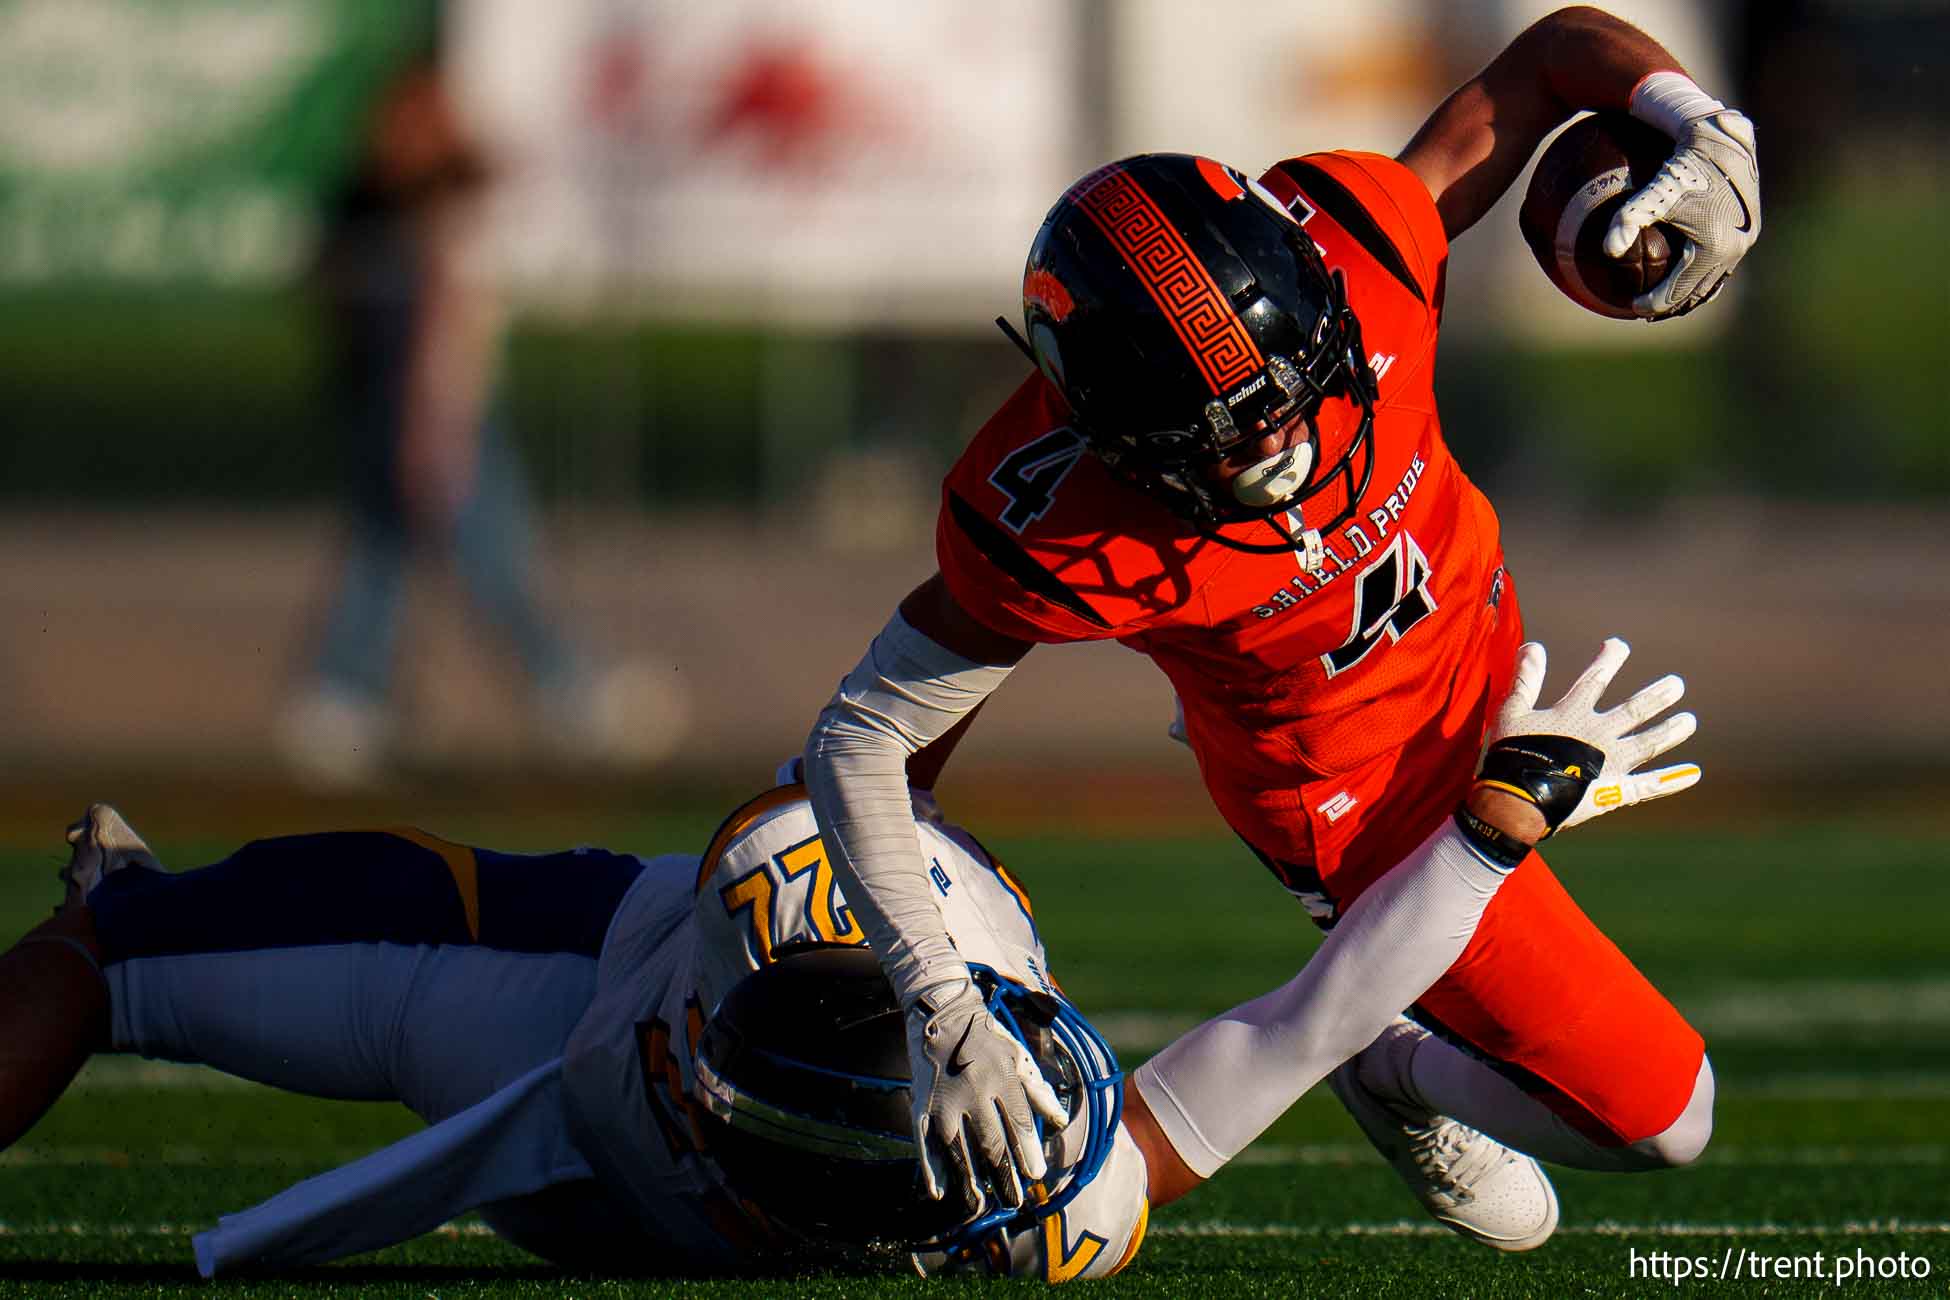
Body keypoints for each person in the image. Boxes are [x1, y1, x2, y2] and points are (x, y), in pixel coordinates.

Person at [800, 5, 1758, 1250]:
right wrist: (932, 989)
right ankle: (1388, 1060)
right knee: (1668, 1118)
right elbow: (870, 741)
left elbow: (1551, 56)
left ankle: (1388, 1029)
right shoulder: (1062, 522)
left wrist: (1702, 122)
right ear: (1108, 426)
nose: (1281, 450)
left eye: (1289, 394)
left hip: (1490, 662)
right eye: (1222, 435)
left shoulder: (1365, 246)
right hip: (1366, 800)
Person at [0, 782, 1144, 1281]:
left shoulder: (783, 883)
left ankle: (139, 919)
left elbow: (862, 755)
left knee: (107, 954)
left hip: (541, 1018)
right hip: (610, 1143)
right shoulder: (1023, 1193)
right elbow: (1218, 1089)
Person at [281, 22, 682, 784]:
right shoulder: (385, 212)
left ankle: (344, 697)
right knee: (478, 554)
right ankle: (562, 692)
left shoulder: (443, 200)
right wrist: (429, 427)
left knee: (400, 552)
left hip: (435, 407)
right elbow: (421, 331)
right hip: (421, 410)